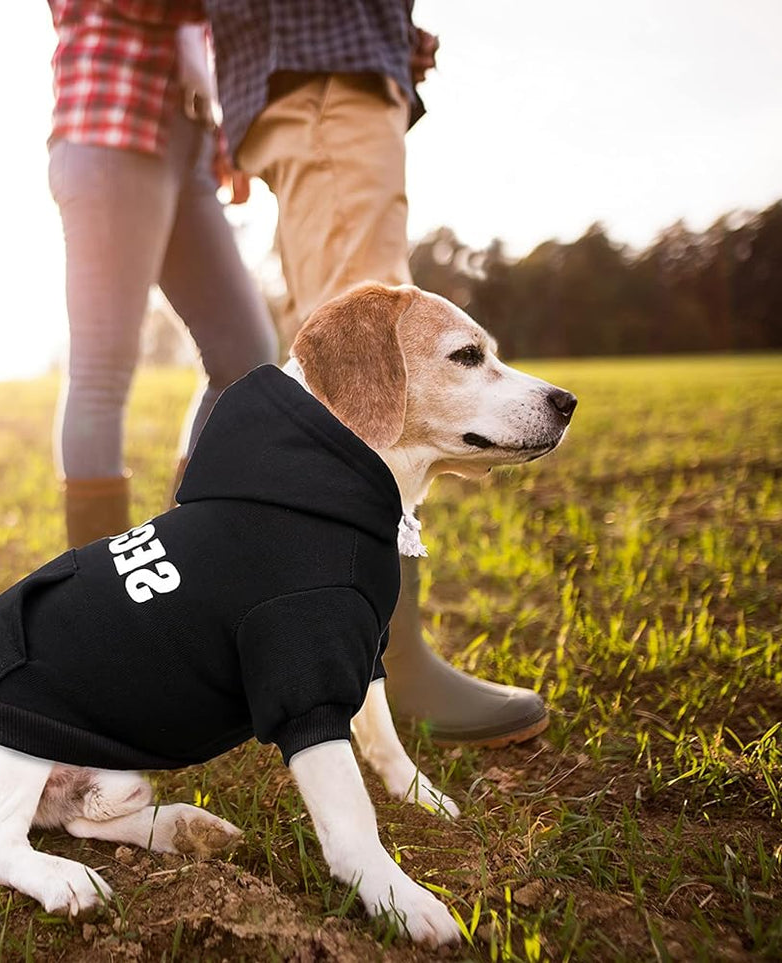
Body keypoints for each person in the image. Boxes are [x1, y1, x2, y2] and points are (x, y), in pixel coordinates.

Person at [205, 1, 549, 747]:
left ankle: (232, 617)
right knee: (367, 343)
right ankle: (387, 659)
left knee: (341, 342)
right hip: (324, 63)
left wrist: (393, 31)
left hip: (326, 67)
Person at [46, 0, 277, 548]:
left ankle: (180, 554)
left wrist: (222, 137)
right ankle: (97, 592)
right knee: (103, 366)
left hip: (188, 141)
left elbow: (197, 44)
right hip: (110, 129)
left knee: (246, 356)